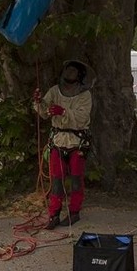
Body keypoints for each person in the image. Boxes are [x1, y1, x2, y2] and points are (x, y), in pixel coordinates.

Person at [33, 60, 93, 230]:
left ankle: (74, 212)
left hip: (77, 141)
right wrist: (39, 102)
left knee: (75, 179)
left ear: (80, 74)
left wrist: (64, 112)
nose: (69, 72)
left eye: (73, 70)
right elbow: (44, 112)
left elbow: (82, 117)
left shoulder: (85, 95)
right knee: (57, 180)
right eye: (67, 69)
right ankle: (54, 214)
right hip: (58, 140)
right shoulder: (54, 91)